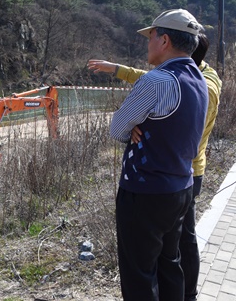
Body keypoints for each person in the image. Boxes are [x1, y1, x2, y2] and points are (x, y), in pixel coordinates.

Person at [87, 32, 222, 301]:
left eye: (151, 37)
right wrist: (117, 70)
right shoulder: (202, 79)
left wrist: (135, 125)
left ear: (164, 41)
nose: (147, 43)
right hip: (183, 183)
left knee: (140, 273)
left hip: (146, 189)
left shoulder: (157, 80)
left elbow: (117, 128)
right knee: (170, 261)